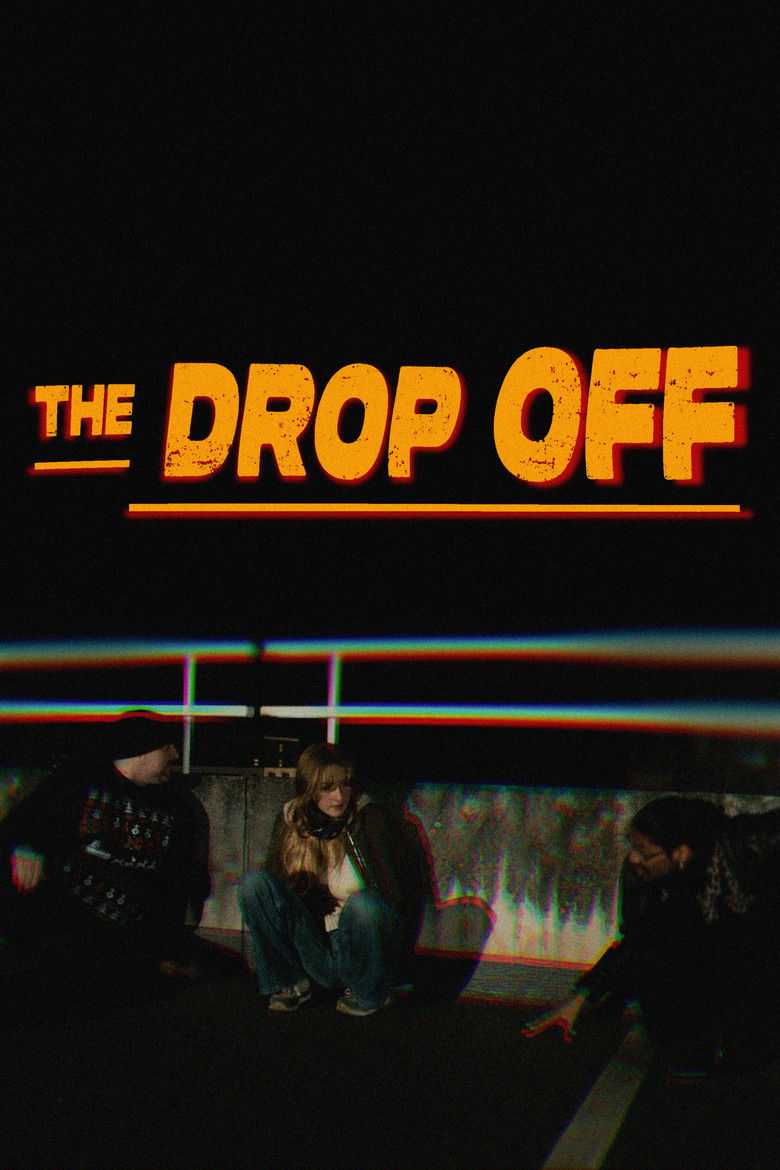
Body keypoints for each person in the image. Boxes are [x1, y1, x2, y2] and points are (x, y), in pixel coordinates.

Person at [522, 795, 780, 1074]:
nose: (634, 859)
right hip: (717, 949)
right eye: (633, 847)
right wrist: (580, 997)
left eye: (644, 852)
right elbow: (637, 942)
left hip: (761, 944)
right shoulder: (642, 878)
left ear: (680, 853)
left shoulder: (745, 844)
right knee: (664, 1002)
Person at [0, 713, 212, 1010]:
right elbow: (23, 822)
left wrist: (165, 950)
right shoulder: (78, 783)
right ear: (139, 750)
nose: (175, 755)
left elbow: (174, 885)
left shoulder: (178, 809)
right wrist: (25, 847)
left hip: (124, 930)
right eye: (166, 747)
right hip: (63, 914)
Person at [239, 742, 410, 1016]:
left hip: (355, 944)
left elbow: (393, 899)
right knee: (254, 884)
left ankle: (369, 993)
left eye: (345, 785)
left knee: (364, 905)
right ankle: (289, 984)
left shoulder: (368, 819)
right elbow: (276, 896)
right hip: (313, 945)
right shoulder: (291, 821)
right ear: (309, 788)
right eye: (327, 787)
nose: (339, 796)